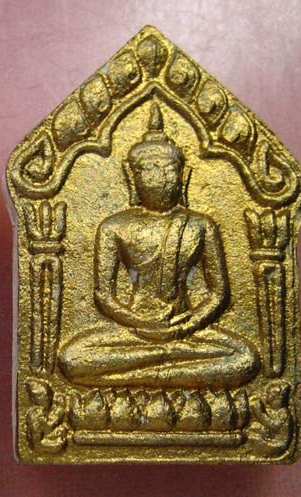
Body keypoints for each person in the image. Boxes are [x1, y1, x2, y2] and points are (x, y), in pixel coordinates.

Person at [58, 102, 258, 389]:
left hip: (185, 329)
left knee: (245, 358)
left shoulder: (201, 225)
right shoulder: (114, 226)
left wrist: (187, 325)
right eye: (149, 169)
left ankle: (139, 375)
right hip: (134, 330)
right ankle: (170, 370)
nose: (161, 178)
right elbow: (104, 296)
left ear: (183, 176)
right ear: (132, 177)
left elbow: (219, 293)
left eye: (169, 169)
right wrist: (141, 324)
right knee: (72, 358)